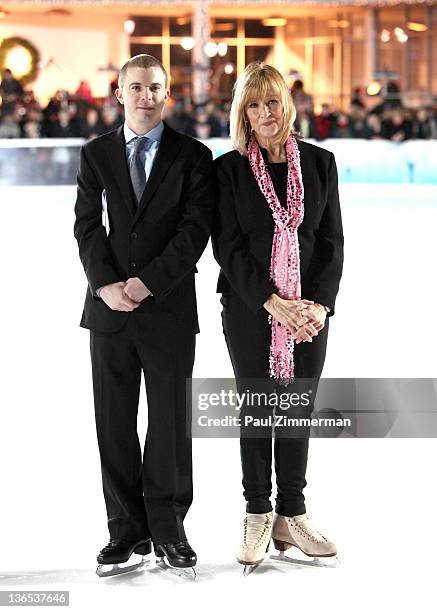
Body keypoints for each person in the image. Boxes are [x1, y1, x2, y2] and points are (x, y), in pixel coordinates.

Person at [74, 54, 213, 575]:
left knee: (171, 424)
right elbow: (86, 224)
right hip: (109, 311)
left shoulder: (193, 157)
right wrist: (107, 284)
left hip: (168, 310)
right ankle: (125, 532)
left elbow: (193, 233)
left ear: (167, 93)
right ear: (119, 92)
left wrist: (147, 282)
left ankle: (169, 528)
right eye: (136, 87)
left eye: (155, 87)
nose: (146, 96)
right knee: (113, 422)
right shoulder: (96, 155)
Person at [212, 62, 344, 567]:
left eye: (271, 102)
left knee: (296, 407)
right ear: (242, 112)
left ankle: (292, 513)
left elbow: (330, 242)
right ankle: (257, 512)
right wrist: (273, 303)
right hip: (251, 309)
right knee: (257, 407)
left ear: (285, 104)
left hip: (308, 315)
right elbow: (228, 247)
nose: (265, 113)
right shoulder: (228, 169)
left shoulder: (319, 163)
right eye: (254, 104)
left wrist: (317, 306)